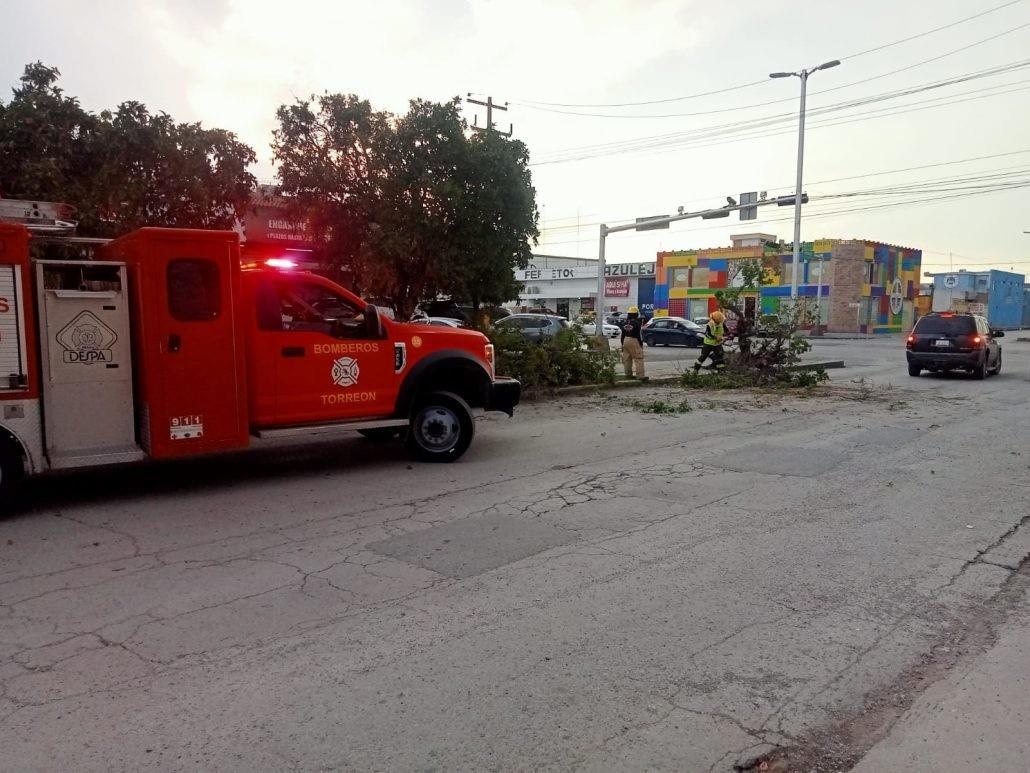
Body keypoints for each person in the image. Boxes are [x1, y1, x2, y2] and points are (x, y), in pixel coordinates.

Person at [620, 306, 646, 379]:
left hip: (625, 340)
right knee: (638, 358)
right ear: (636, 314)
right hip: (634, 340)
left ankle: (628, 375)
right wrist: (640, 344)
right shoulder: (637, 323)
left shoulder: (625, 323)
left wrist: (622, 345)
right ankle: (640, 376)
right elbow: (639, 335)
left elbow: (622, 335)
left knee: (627, 359)